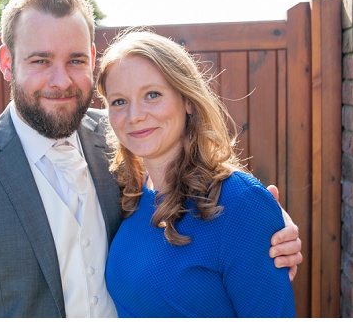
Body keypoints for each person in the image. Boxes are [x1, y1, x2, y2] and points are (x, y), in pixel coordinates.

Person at [0, 0, 302, 318]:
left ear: (92, 61)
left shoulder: (121, 137)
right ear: (6, 62)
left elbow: (215, 201)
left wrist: (269, 222)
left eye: (75, 60)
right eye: (40, 60)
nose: (60, 80)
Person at [96, 29, 296, 317]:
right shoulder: (132, 192)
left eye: (152, 94)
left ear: (187, 100)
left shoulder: (240, 202)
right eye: (119, 101)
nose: (134, 115)